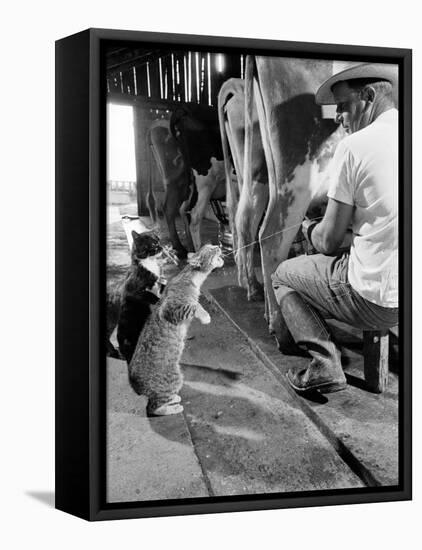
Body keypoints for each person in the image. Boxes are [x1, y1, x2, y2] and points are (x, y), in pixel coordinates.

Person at [271, 63, 399, 393]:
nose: (338, 117)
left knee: (283, 275)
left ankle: (324, 362)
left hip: (377, 302)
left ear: (369, 96)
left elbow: (327, 242)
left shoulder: (354, 147)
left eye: (343, 105)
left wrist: (308, 230)